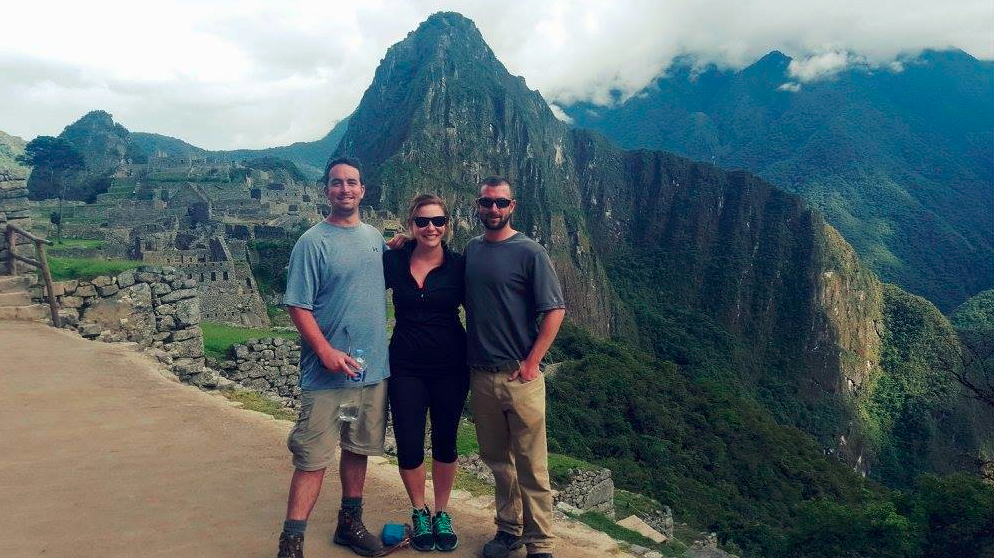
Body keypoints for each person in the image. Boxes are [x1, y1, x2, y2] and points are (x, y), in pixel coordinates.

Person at [276, 157, 389, 558]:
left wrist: (409, 240)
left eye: (352, 182)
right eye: (337, 183)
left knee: (358, 447)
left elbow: (381, 265)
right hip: (326, 375)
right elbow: (297, 305)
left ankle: (350, 523)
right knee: (313, 456)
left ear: (363, 190)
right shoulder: (313, 242)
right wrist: (323, 350)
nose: (345, 189)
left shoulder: (375, 237)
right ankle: (292, 540)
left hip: (370, 370)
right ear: (327, 190)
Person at [465, 177, 566, 558]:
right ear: (478, 205)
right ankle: (508, 530)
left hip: (519, 377)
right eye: (486, 203)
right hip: (481, 375)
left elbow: (554, 310)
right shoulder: (472, 250)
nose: (493, 209)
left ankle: (540, 543)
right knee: (498, 462)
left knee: (532, 464)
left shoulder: (530, 252)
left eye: (500, 203)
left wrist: (531, 363)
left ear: (512, 206)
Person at [382, 194, 468, 552]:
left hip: (451, 366)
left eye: (437, 221)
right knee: (409, 440)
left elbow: (486, 308)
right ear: (410, 224)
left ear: (446, 225)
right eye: (422, 222)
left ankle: (442, 512)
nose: (430, 228)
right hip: (405, 366)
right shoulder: (393, 260)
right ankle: (419, 510)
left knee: (446, 441)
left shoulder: (460, 266)